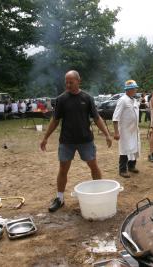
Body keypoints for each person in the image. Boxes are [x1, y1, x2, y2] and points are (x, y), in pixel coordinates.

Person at [40, 70, 112, 212]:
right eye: (66, 82)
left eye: (70, 82)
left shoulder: (87, 98)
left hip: (86, 140)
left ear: (79, 81)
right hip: (67, 141)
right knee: (63, 169)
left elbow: (97, 118)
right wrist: (45, 138)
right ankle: (59, 198)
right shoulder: (61, 99)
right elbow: (55, 120)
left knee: (93, 166)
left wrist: (107, 134)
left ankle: (100, 193)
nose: (67, 84)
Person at [112, 80, 141, 178]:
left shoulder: (134, 100)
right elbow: (115, 117)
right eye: (134, 88)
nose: (136, 90)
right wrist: (116, 132)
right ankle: (122, 170)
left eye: (136, 88)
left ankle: (131, 166)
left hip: (134, 129)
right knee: (124, 149)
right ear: (129, 89)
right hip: (125, 130)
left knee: (134, 147)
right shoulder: (122, 100)